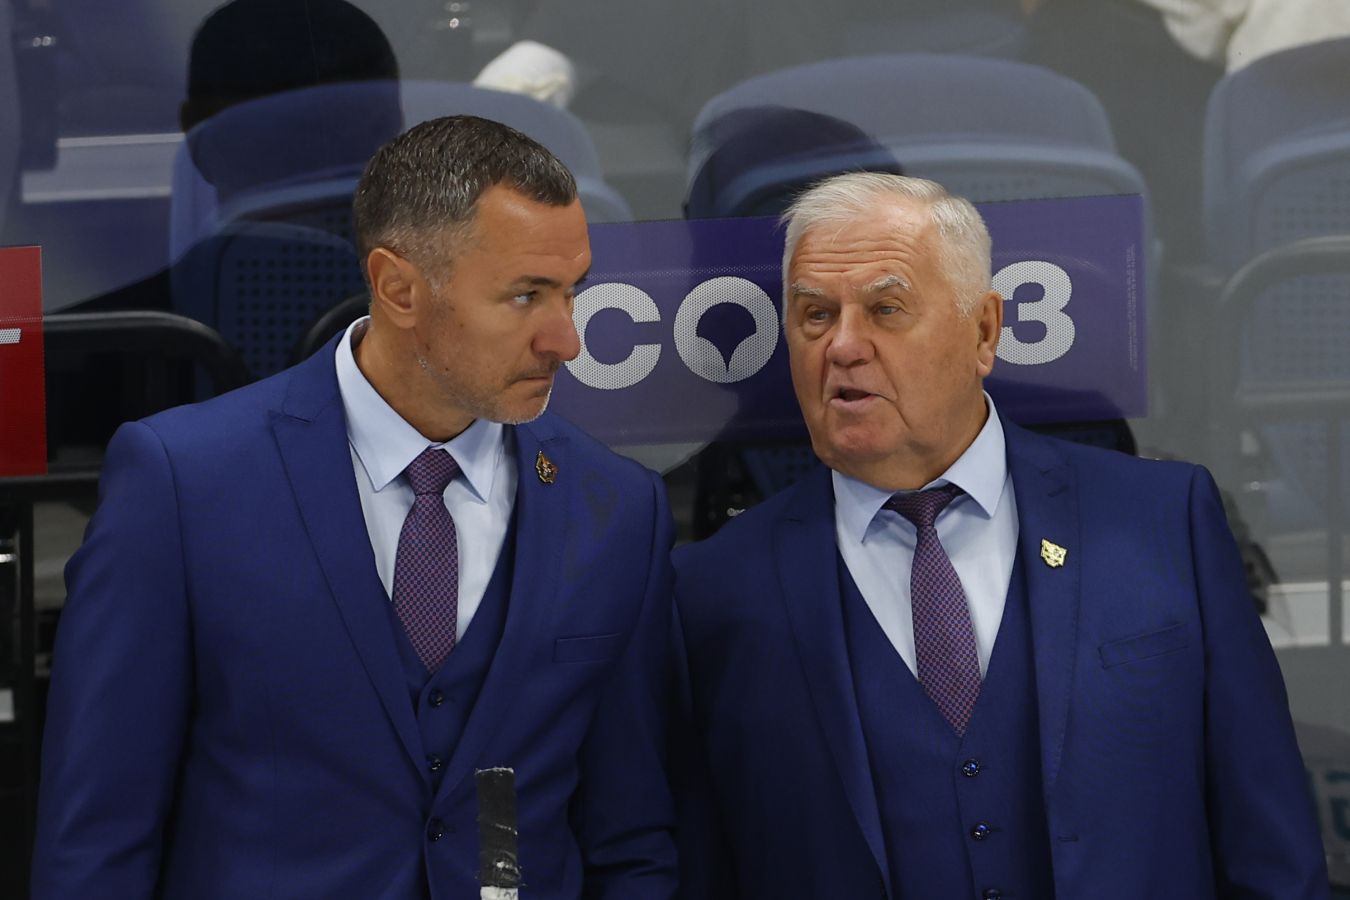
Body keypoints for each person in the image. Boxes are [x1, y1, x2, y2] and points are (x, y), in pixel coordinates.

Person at [32, 115, 677, 899]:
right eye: (525, 296)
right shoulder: (182, 484)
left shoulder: (617, 508)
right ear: (399, 288)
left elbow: (631, 837)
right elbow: (97, 836)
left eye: (572, 291)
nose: (566, 340)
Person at [671, 172, 1329, 899]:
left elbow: (1270, 846)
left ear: (983, 330)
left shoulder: (1163, 522)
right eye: (816, 315)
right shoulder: (714, 590)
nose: (843, 346)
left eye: (886, 309)